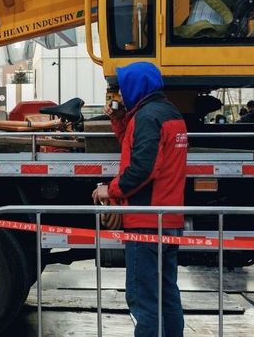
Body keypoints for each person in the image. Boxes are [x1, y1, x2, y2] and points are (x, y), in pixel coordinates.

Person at [92, 61, 187, 336]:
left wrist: (110, 190)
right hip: (169, 219)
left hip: (146, 222)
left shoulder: (147, 117)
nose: (120, 94)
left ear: (137, 87)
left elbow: (143, 167)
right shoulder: (168, 113)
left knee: (143, 298)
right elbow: (135, 145)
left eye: (123, 88)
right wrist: (119, 119)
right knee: (167, 295)